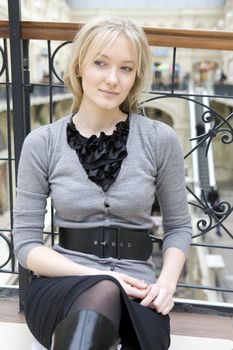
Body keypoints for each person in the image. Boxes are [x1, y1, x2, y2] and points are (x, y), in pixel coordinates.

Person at [13, 16, 192, 350]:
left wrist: (166, 285)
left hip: (141, 291)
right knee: (104, 290)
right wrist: (102, 276)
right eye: (100, 63)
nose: (113, 79)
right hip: (62, 286)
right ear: (80, 66)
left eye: (126, 68)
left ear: (135, 76)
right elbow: (25, 245)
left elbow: (179, 227)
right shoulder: (42, 143)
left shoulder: (160, 139)